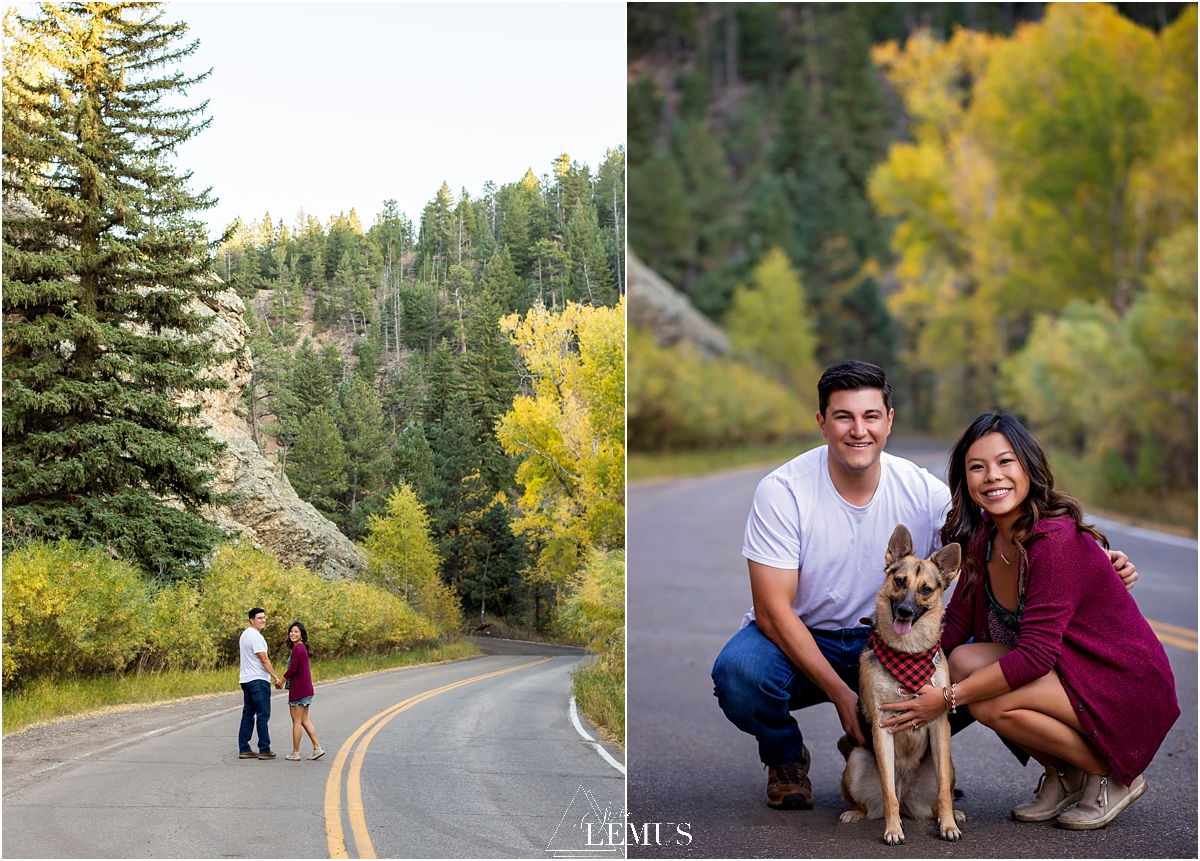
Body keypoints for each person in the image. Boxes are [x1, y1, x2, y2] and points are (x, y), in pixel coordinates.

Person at [710, 361, 1138, 811]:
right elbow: (773, 612)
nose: (859, 430)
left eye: (871, 416)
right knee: (740, 674)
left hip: (903, 637)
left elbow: (996, 529)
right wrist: (846, 697)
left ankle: (914, 754)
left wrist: (1093, 563)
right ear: (821, 423)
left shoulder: (921, 489)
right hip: (807, 639)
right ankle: (786, 759)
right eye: (843, 417)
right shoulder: (783, 491)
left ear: (889, 420)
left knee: (975, 658)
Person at [877, 411, 1179, 830]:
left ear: (1028, 467)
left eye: (1005, 462)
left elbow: (1034, 656)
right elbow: (955, 629)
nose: (992, 476)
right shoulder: (982, 538)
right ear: (965, 481)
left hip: (1119, 683)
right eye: (977, 467)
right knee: (961, 663)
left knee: (980, 695)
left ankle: (1113, 775)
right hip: (1067, 671)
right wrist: (890, 672)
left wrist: (946, 699)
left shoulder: (1053, 541)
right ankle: (1067, 775)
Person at [238, 607, 281, 760]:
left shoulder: (244, 635)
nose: (263, 620)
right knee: (263, 715)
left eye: (264, 617)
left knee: (248, 714)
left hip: (246, 679)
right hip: (258, 679)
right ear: (252, 620)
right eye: (259, 618)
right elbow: (264, 659)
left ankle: (244, 748)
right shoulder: (255, 636)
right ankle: (264, 749)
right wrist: (276, 677)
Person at [279, 621, 324, 761]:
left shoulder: (298, 648)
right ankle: (317, 748)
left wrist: (281, 680)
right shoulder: (302, 648)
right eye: (291, 631)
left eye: (296, 632)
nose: (293, 634)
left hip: (299, 690)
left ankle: (296, 753)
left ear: (302, 635)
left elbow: (293, 669)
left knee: (297, 721)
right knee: (304, 720)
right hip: (305, 689)